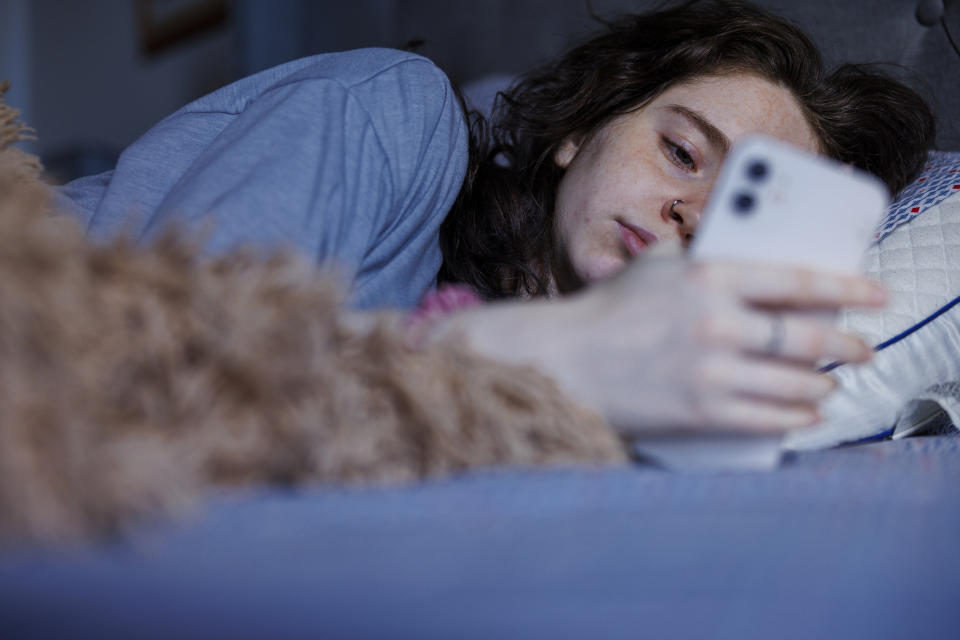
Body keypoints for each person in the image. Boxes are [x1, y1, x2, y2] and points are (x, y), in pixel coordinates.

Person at [57, 0, 934, 438]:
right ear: (581, 130)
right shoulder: (397, 112)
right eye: (680, 152)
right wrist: (531, 356)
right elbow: (154, 373)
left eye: (748, 210)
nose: (692, 213)